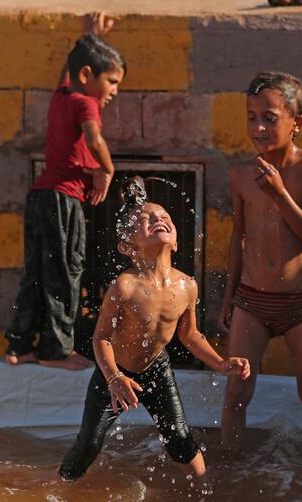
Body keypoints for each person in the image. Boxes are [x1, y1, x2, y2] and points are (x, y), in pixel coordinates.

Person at [58, 177, 251, 483]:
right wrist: (114, 378)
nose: (158, 219)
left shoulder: (187, 285)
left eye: (164, 217)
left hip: (157, 369)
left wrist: (221, 363)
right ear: (127, 245)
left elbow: (190, 335)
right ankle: (59, 488)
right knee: (90, 444)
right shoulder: (124, 286)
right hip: (116, 373)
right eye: (146, 219)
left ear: (175, 240)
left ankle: (205, 488)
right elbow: (101, 337)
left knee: (180, 440)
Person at [218, 71, 302, 464]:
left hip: (301, 303)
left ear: (296, 123)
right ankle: (227, 470)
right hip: (252, 301)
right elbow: (239, 239)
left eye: (269, 118)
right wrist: (229, 296)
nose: (258, 127)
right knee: (237, 392)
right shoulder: (240, 175)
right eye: (251, 117)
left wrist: (281, 194)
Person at [4, 13, 124, 370]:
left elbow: (68, 71)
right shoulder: (85, 102)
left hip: (40, 196)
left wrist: (88, 38)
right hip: (64, 199)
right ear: (88, 77)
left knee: (37, 273)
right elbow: (94, 137)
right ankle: (56, 351)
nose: (115, 91)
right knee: (66, 274)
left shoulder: (62, 96)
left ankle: (19, 346)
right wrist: (108, 168)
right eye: (113, 82)